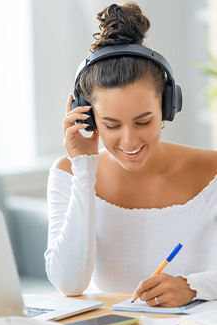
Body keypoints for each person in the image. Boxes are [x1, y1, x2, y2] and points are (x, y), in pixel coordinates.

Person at [44, 1, 217, 308]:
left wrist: (193, 286)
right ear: (88, 117)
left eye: (143, 121)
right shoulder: (68, 173)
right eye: (111, 125)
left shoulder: (211, 169)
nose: (129, 140)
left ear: (167, 107)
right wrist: (84, 168)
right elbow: (69, 284)